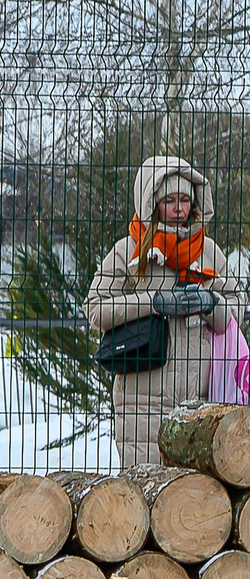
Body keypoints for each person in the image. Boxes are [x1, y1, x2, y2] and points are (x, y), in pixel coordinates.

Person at [85, 156, 244, 470]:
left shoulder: (210, 252)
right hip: (141, 400)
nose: (178, 208)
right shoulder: (128, 250)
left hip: (200, 403)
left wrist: (211, 304)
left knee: (193, 506)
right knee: (142, 497)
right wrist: (154, 302)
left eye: (184, 199)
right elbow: (95, 308)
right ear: (151, 203)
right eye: (169, 200)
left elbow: (234, 309)